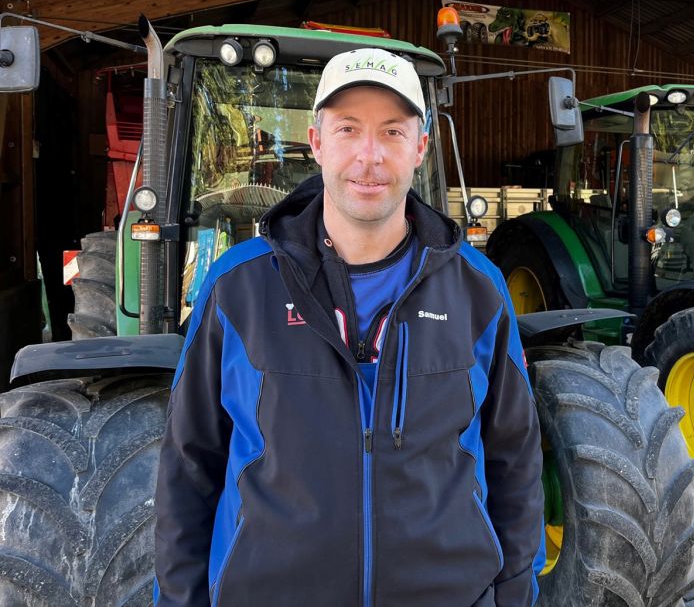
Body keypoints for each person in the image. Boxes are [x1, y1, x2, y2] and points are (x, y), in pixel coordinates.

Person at [154, 47, 546, 606]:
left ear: (420, 148)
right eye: (348, 129)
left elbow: (515, 460)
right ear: (316, 144)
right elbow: (187, 468)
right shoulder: (237, 289)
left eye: (391, 132)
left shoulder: (479, 290)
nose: (370, 156)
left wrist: (513, 598)